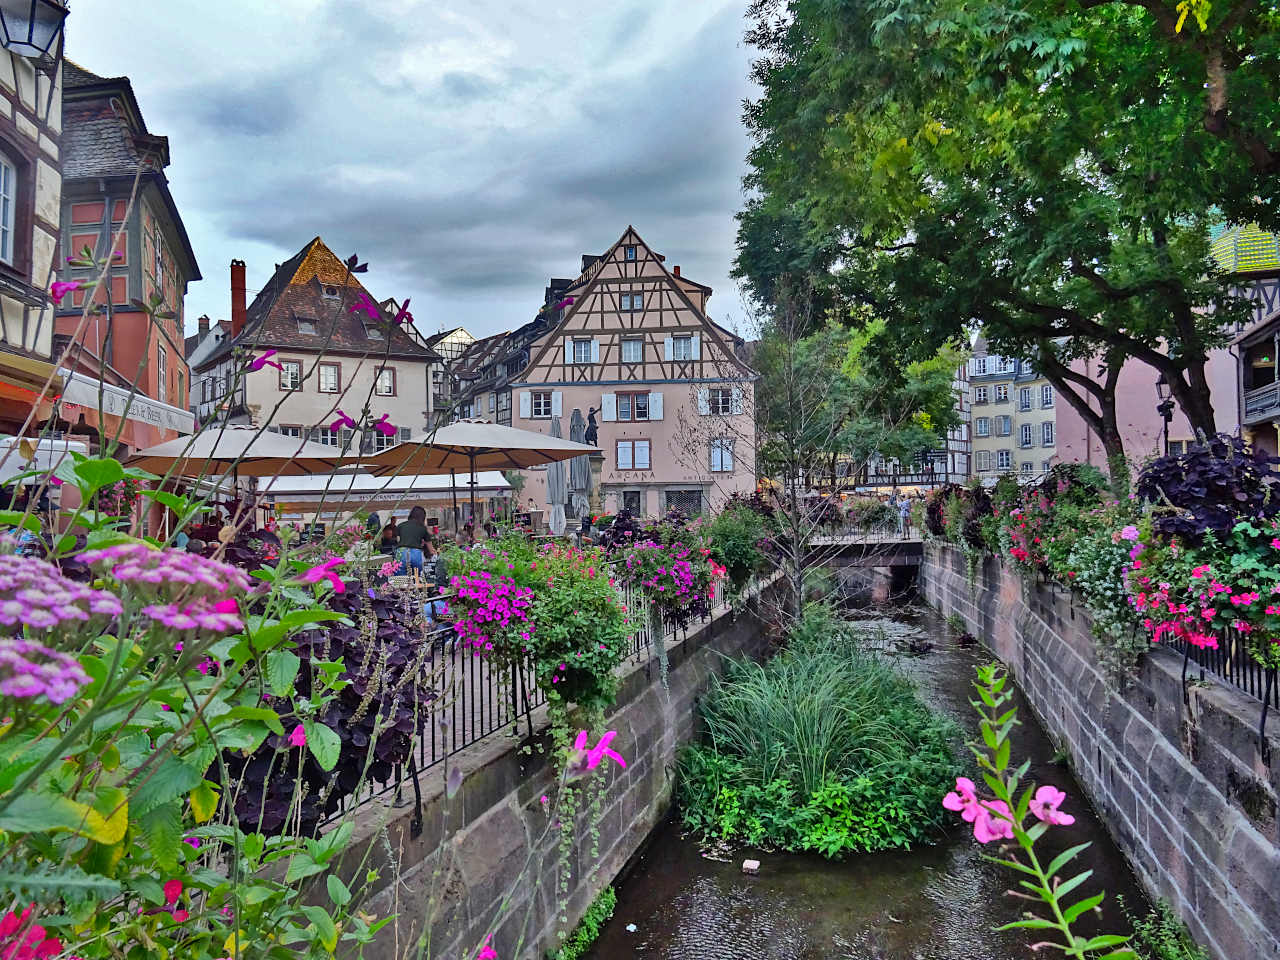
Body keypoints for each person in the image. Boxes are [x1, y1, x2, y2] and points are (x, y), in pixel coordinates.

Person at [396, 505, 429, 573]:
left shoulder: (401, 525)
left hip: (402, 552)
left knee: (400, 580)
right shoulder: (422, 528)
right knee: (417, 579)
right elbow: (431, 549)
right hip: (416, 553)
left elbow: (398, 540)